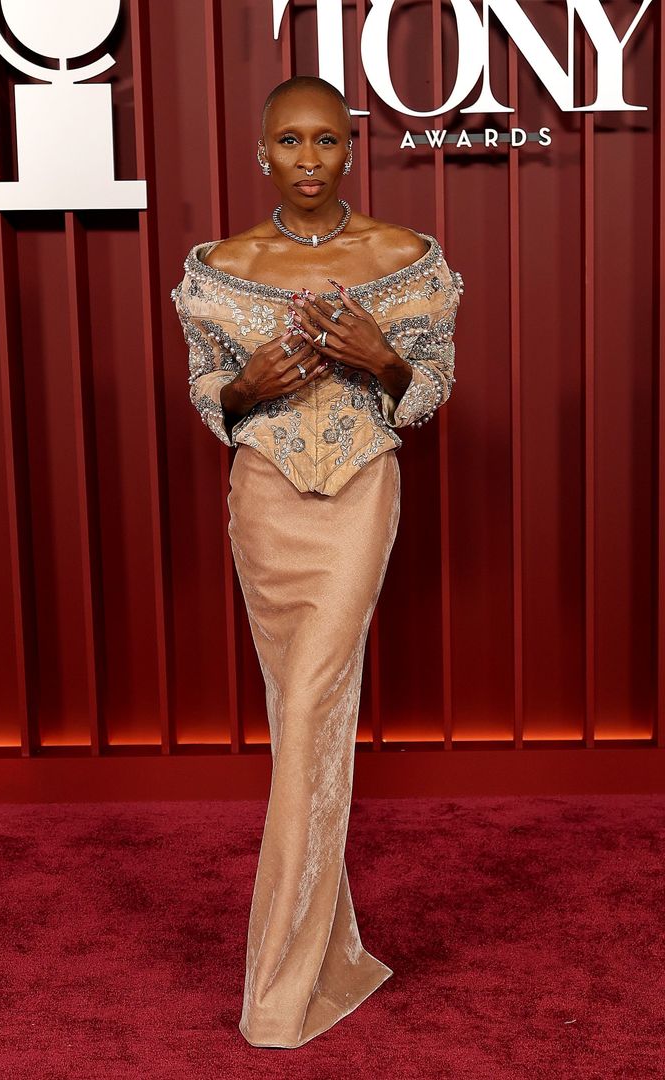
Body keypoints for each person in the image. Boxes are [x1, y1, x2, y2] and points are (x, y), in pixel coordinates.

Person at [171, 75, 464, 1049]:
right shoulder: (220, 265)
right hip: (264, 504)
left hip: (358, 499)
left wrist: (382, 357)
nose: (307, 160)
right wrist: (244, 384)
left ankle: (283, 987)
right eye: (289, 143)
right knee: (298, 716)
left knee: (308, 711)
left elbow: (427, 392)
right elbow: (212, 392)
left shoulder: (403, 259)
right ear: (262, 154)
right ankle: (327, 948)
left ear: (351, 148)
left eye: (326, 142)